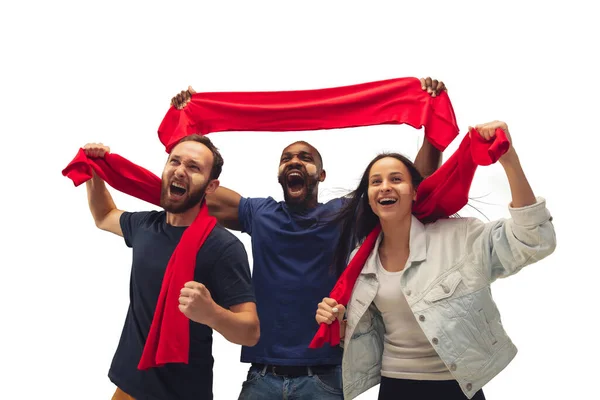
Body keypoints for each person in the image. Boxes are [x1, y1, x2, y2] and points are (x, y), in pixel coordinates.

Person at [169, 77, 447, 399]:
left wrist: (432, 122)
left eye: (305, 158)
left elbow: (414, 188)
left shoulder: (343, 215)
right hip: (262, 375)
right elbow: (192, 189)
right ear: (279, 174)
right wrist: (187, 127)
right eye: (287, 158)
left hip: (325, 378)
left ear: (321, 175)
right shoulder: (259, 213)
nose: (295, 162)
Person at [315, 120, 556, 399]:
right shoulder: (361, 260)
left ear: (415, 191)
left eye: (396, 179)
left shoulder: (460, 237)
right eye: (376, 182)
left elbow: (535, 241)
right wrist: (339, 321)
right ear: (368, 198)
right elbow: (368, 332)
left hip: (456, 387)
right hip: (396, 386)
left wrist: (509, 160)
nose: (385, 187)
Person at [83, 135, 259, 400]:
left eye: (193, 167)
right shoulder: (145, 226)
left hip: (182, 393)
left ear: (211, 186)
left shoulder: (223, 247)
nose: (179, 170)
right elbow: (105, 215)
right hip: (128, 385)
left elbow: (250, 331)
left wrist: (211, 313)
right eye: (174, 161)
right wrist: (94, 172)